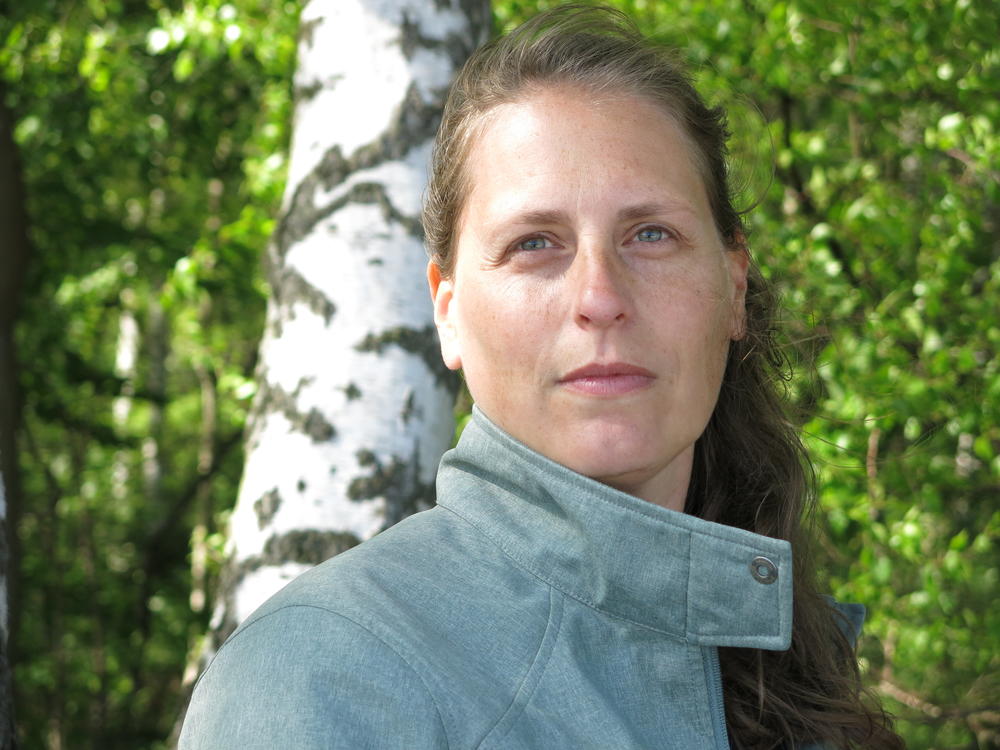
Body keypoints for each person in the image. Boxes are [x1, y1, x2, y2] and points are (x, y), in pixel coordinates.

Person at [180, 5, 903, 749]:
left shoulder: (800, 671)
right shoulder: (322, 674)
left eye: (651, 234)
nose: (600, 298)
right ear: (448, 313)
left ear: (734, 287)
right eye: (534, 243)